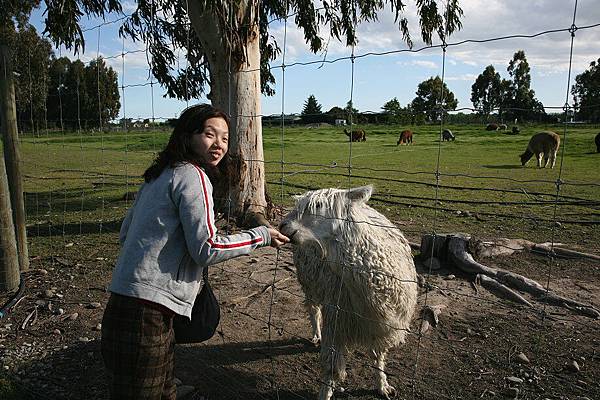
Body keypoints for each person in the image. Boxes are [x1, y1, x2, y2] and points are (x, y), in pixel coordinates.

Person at [100, 104, 289, 400]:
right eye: (209, 134)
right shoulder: (193, 175)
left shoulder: (159, 175)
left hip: (125, 299)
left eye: (225, 138)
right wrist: (261, 235)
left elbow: (126, 233)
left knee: (159, 386)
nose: (219, 145)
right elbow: (207, 248)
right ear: (188, 136)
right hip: (149, 310)